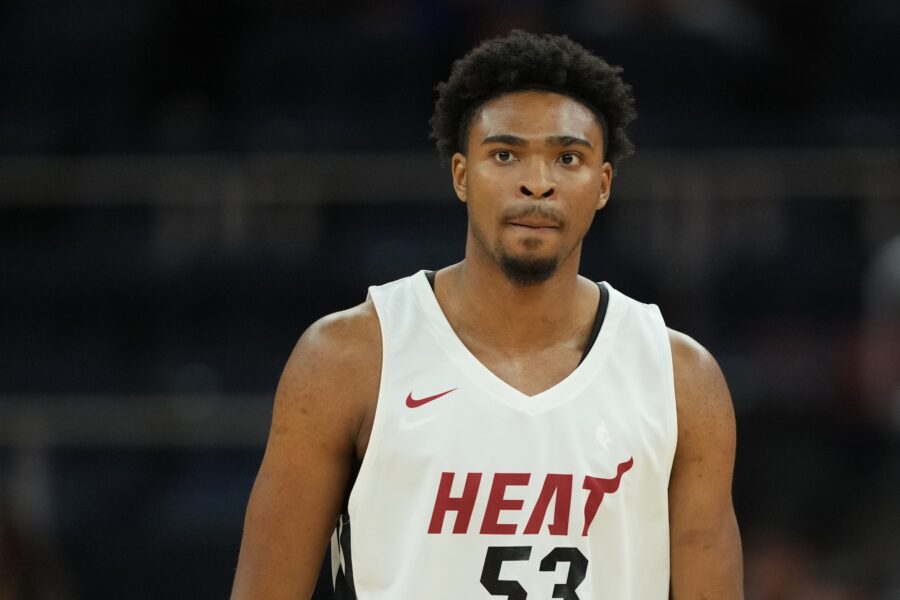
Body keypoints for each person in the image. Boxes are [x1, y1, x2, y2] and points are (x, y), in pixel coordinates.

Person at [231, 30, 743, 599]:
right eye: (505, 154)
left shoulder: (680, 379)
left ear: (602, 185)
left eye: (567, 158)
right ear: (461, 175)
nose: (538, 182)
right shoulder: (348, 357)